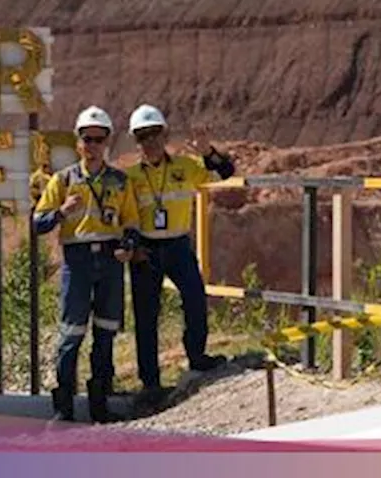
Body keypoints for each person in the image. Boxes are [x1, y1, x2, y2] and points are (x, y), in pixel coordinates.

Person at [32, 105, 141, 423]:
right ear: (78, 142)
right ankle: (64, 407)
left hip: (109, 261)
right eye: (87, 138)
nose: (92, 145)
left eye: (98, 139)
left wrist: (128, 245)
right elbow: (38, 222)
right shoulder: (63, 180)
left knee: (106, 332)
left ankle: (99, 404)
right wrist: (62, 212)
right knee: (71, 334)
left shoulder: (120, 181)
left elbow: (131, 221)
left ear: (106, 142)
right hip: (76, 263)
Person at [123, 103, 235, 410]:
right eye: (143, 136)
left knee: (195, 298)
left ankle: (197, 357)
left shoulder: (186, 167)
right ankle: (151, 382)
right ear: (136, 141)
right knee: (146, 316)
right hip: (146, 250)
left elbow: (226, 172)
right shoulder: (130, 176)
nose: (150, 141)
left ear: (165, 134)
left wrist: (207, 150)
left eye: (155, 134)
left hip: (177, 246)